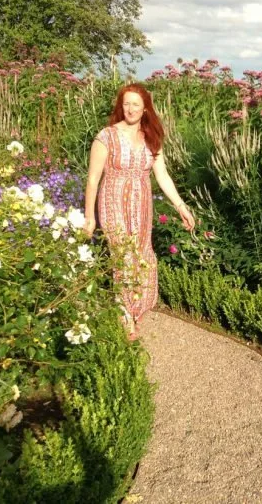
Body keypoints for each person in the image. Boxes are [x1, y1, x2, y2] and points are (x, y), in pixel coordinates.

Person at [83, 83, 195, 340]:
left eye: (136, 104)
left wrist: (181, 206)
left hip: (142, 204)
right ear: (120, 106)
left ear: (145, 109)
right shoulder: (106, 136)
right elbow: (92, 179)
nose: (130, 109)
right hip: (112, 202)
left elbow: (162, 175)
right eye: (126, 103)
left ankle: (134, 308)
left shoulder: (150, 137)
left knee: (142, 255)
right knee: (123, 256)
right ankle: (125, 316)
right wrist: (90, 216)